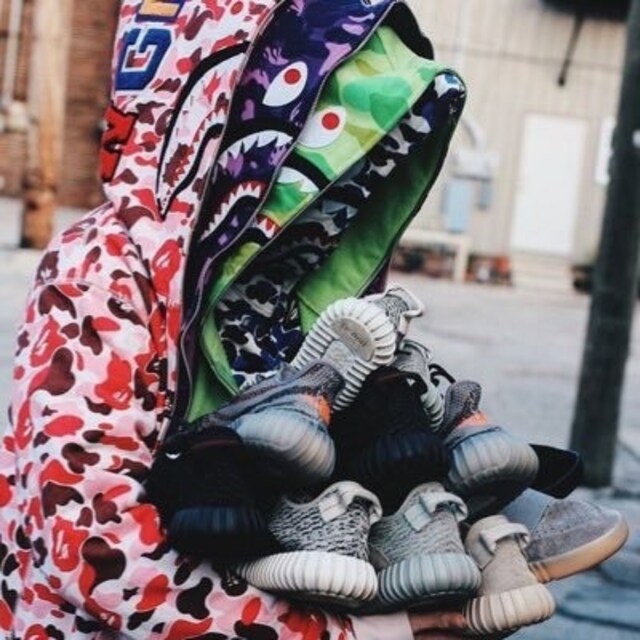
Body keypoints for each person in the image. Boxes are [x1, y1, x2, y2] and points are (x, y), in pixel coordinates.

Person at [0, 0, 472, 637]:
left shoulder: (294, 291)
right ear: (218, 120)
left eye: (362, 163)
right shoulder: (100, 270)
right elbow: (93, 546)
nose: (334, 189)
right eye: (323, 150)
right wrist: (354, 634)